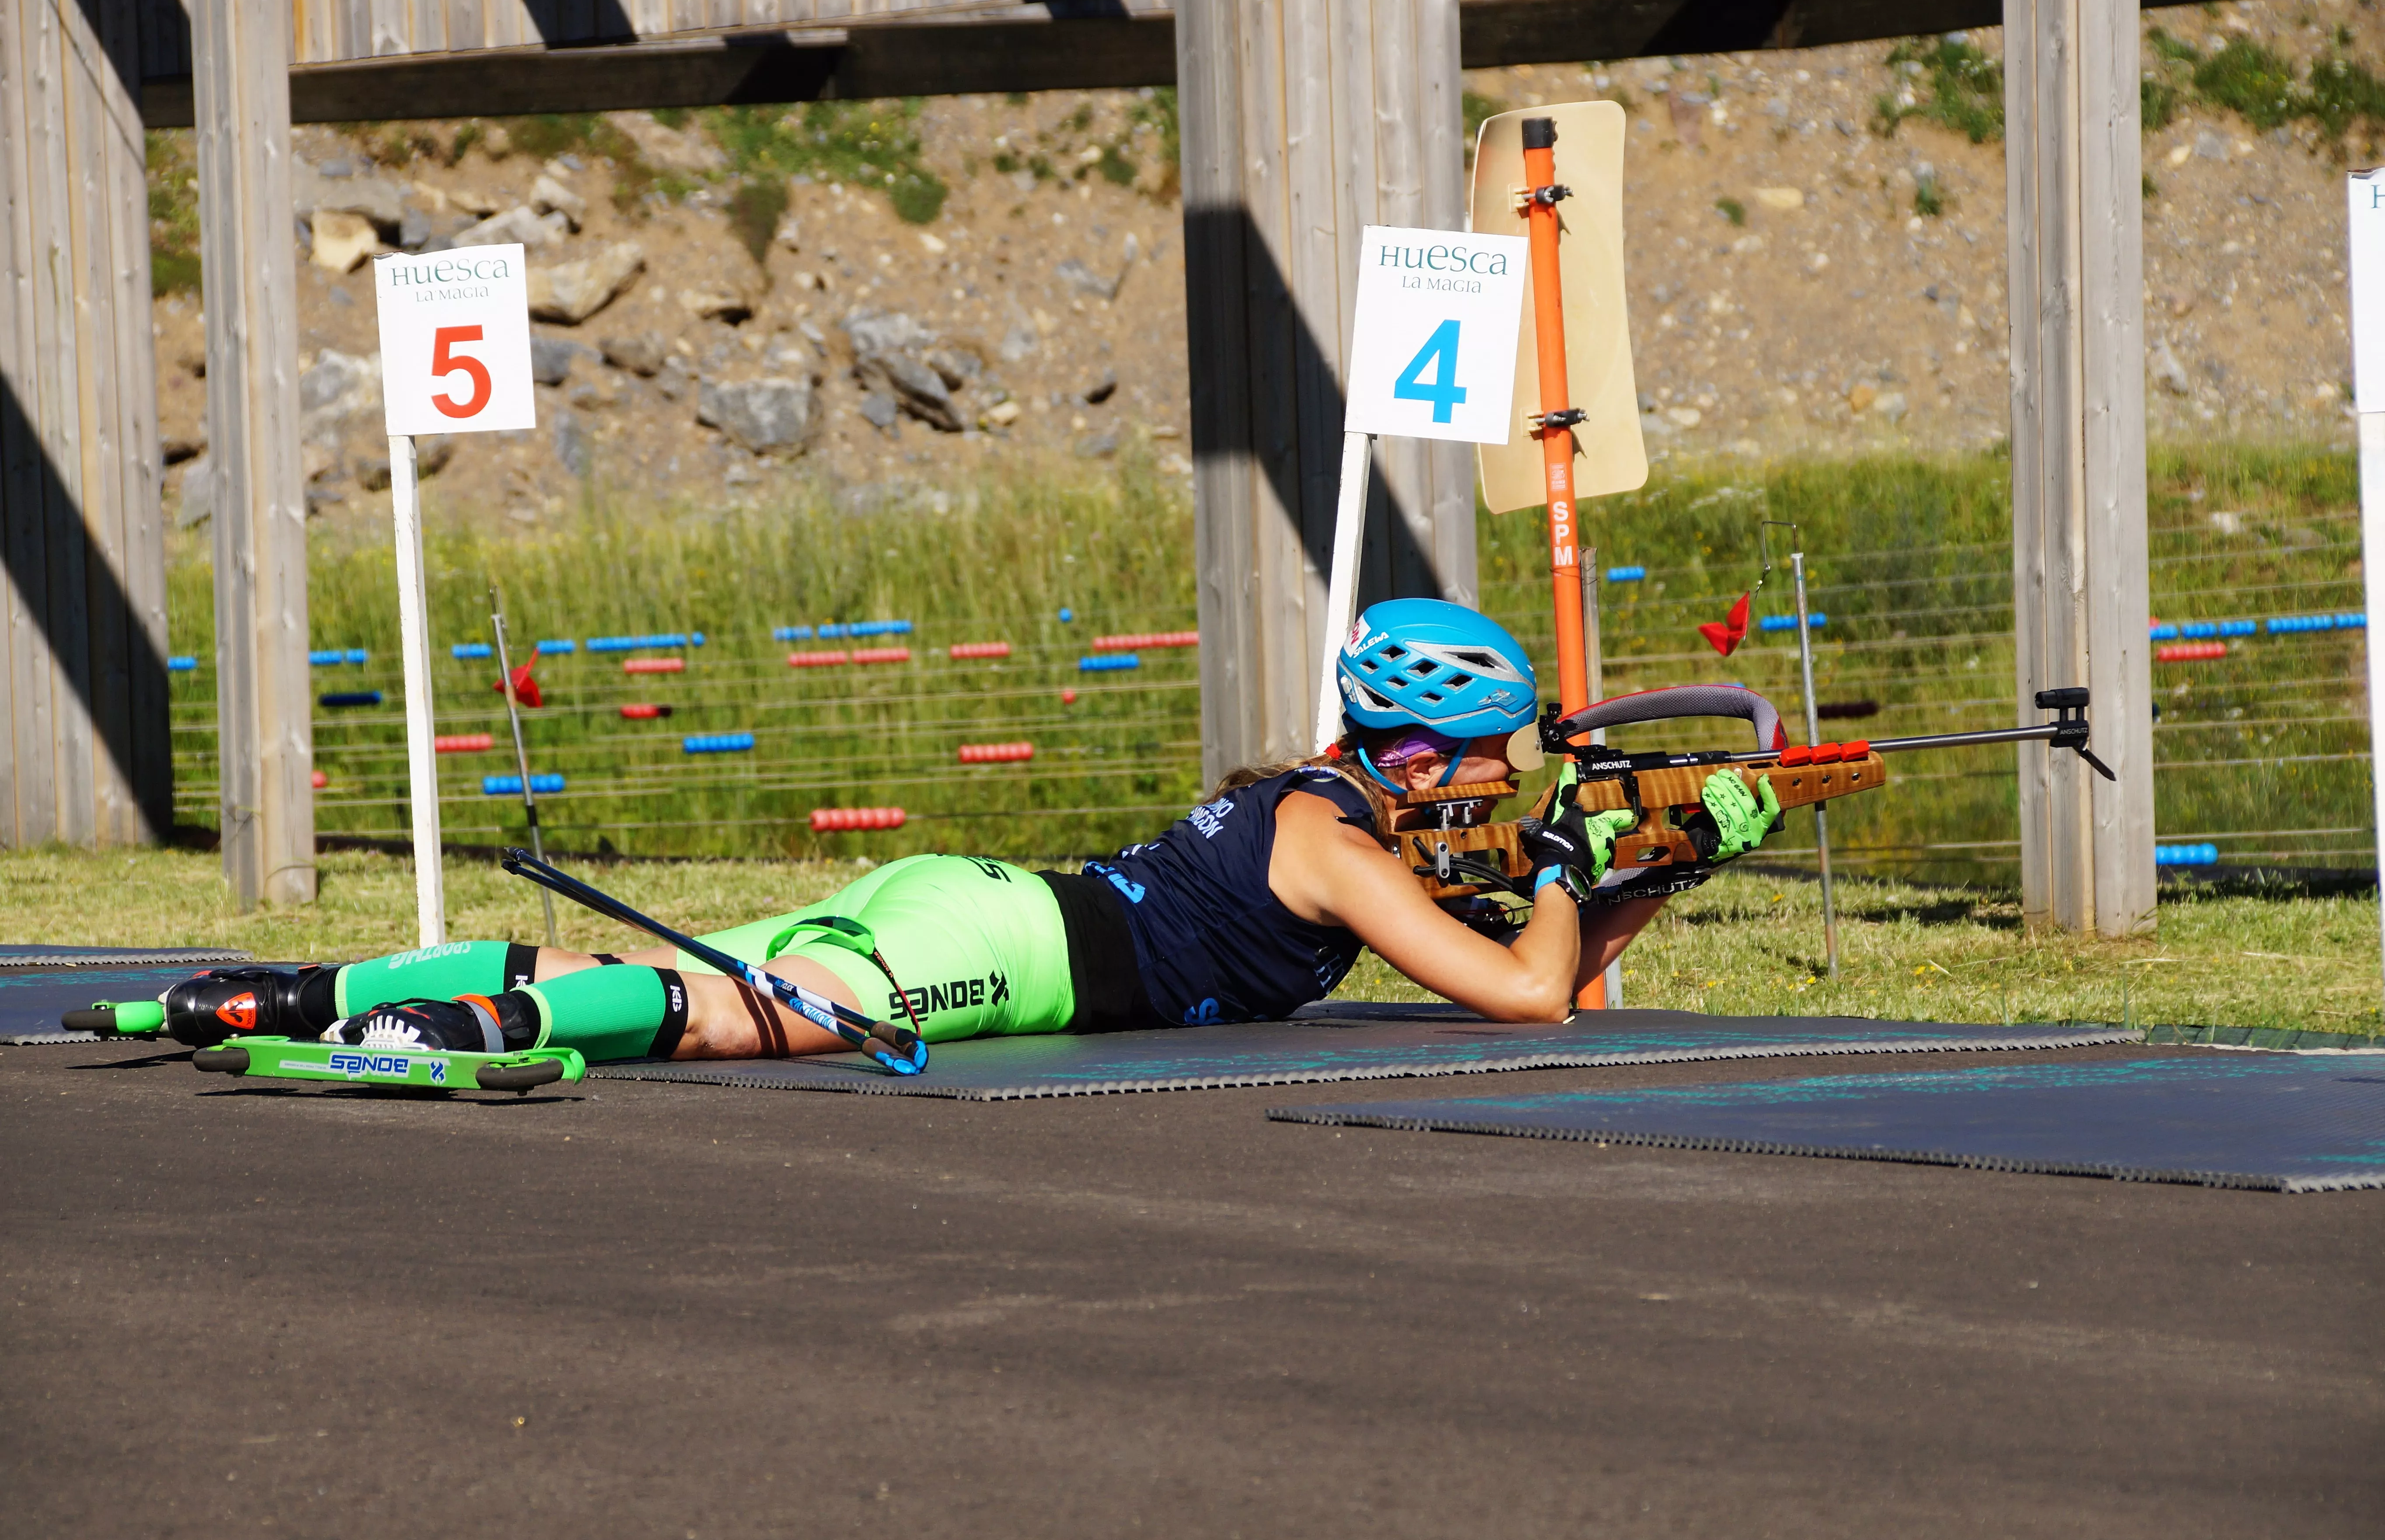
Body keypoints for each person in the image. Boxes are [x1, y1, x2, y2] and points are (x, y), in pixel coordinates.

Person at [136, 600, 1779, 1064]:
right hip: (1013, 942)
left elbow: (1537, 966)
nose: (1501, 788)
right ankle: (454, 1033)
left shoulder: (1329, 808)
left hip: (979, 898)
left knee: (639, 973)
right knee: (742, 1021)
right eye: (1489, 765)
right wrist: (1566, 862)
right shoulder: (1339, 848)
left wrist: (1666, 866)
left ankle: (289, 993)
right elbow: (1525, 994)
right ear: (1418, 753)